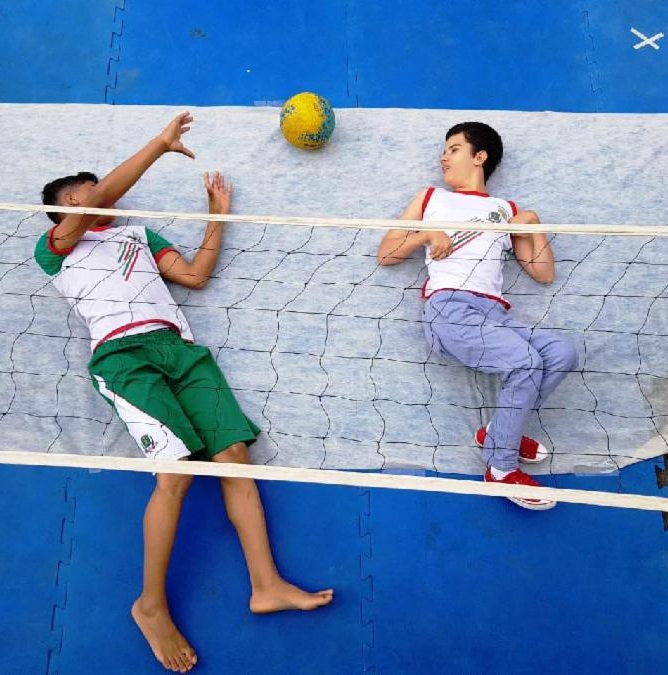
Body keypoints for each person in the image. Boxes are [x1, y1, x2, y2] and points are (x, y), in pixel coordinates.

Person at [35, 112, 333, 672]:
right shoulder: (56, 247)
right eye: (82, 195)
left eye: (95, 190)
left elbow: (195, 275)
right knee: (178, 473)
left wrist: (216, 218)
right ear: (64, 211)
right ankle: (150, 606)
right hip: (123, 358)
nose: (96, 197)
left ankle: (265, 583)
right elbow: (99, 198)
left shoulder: (136, 236)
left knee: (235, 459)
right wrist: (160, 145)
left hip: (180, 349)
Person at [377, 122, 578, 510]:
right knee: (526, 363)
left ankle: (499, 433)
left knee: (561, 353)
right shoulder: (430, 196)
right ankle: (500, 468)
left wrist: (535, 225)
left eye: (453, 149)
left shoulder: (506, 210)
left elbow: (543, 272)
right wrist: (426, 234)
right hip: (449, 310)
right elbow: (386, 254)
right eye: (444, 150)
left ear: (479, 157)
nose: (443, 156)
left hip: (495, 314)